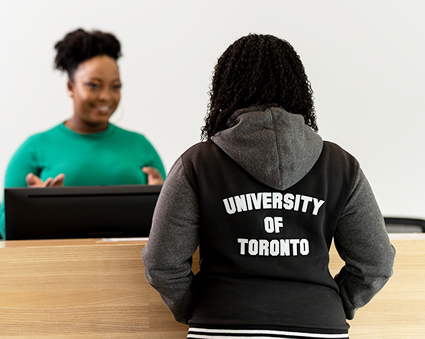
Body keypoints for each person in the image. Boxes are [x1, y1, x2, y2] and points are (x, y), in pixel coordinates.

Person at [142, 34, 395, 339]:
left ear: (223, 90)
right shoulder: (341, 165)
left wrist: (198, 307)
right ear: (299, 88)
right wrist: (329, 303)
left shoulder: (197, 163)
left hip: (223, 324)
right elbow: (376, 263)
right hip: (318, 325)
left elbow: (162, 264)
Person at [0, 28, 166, 239]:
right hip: (61, 268)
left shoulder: (141, 145)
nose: (106, 96)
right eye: (93, 85)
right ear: (70, 86)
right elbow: (4, 225)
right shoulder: (34, 148)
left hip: (131, 268)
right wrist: (36, 206)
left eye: (115, 86)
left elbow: (175, 226)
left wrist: (163, 202)